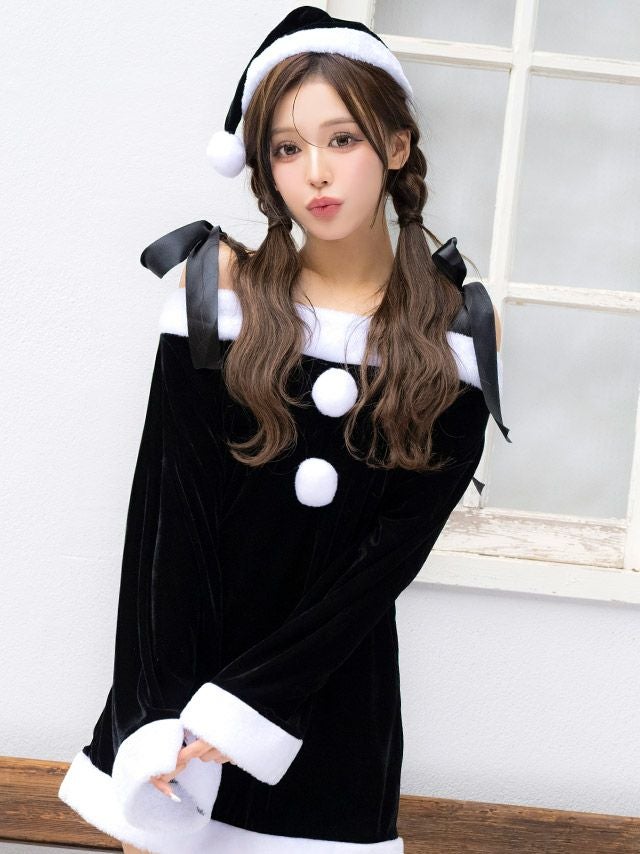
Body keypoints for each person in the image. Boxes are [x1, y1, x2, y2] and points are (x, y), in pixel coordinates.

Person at [58, 6, 510, 854]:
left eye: (343, 139)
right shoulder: (219, 296)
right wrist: (154, 722)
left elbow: (384, 564)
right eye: (287, 149)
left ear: (397, 146)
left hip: (333, 729)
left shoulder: (452, 335)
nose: (317, 173)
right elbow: (166, 527)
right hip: (178, 732)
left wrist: (248, 712)